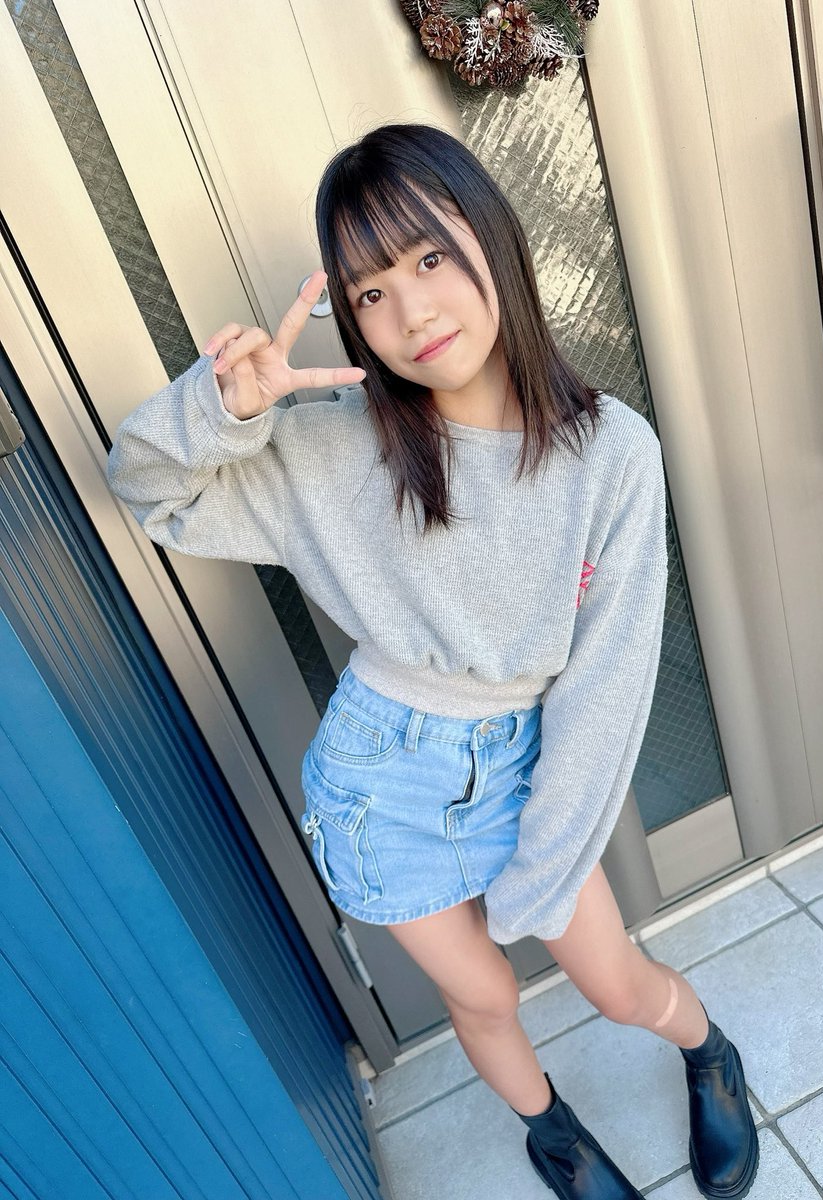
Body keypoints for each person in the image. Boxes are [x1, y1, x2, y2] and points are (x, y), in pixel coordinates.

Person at [106, 122, 758, 1200]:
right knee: (484, 998)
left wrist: (543, 866)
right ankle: (554, 1136)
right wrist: (224, 412)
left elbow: (605, 688)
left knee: (615, 985)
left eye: (430, 257)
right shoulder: (333, 443)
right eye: (369, 291)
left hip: (524, 763)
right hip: (378, 784)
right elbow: (147, 486)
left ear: (490, 238)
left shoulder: (611, 454)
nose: (410, 312)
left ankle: (708, 1050)